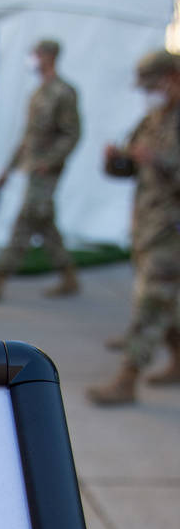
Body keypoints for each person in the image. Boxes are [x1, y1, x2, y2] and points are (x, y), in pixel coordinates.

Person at [87, 50, 180, 405]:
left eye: (154, 84)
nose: (149, 93)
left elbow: (163, 165)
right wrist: (116, 160)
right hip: (149, 226)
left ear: (173, 77)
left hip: (173, 231)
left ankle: (127, 379)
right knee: (166, 304)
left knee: (152, 303)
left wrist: (160, 160)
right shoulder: (155, 118)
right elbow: (132, 167)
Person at [0, 38, 81, 302]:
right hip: (32, 168)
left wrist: (51, 161)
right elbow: (27, 137)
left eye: (36, 54)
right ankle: (69, 276)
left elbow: (72, 134)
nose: (32, 58)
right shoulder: (39, 92)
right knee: (44, 223)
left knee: (25, 222)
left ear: (49, 56)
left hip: (46, 171)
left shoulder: (63, 92)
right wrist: (8, 170)